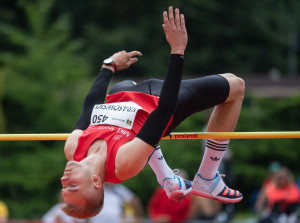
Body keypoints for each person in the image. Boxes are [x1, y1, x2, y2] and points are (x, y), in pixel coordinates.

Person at [61, 6, 244, 219]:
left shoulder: (73, 149)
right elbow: (163, 112)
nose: (64, 181)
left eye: (64, 188)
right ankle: (207, 176)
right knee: (236, 85)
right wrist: (177, 51)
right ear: (95, 181)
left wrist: (107, 67)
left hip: (125, 93)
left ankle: (167, 177)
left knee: (124, 97)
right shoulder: (123, 164)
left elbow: (90, 107)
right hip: (161, 102)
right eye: (72, 186)